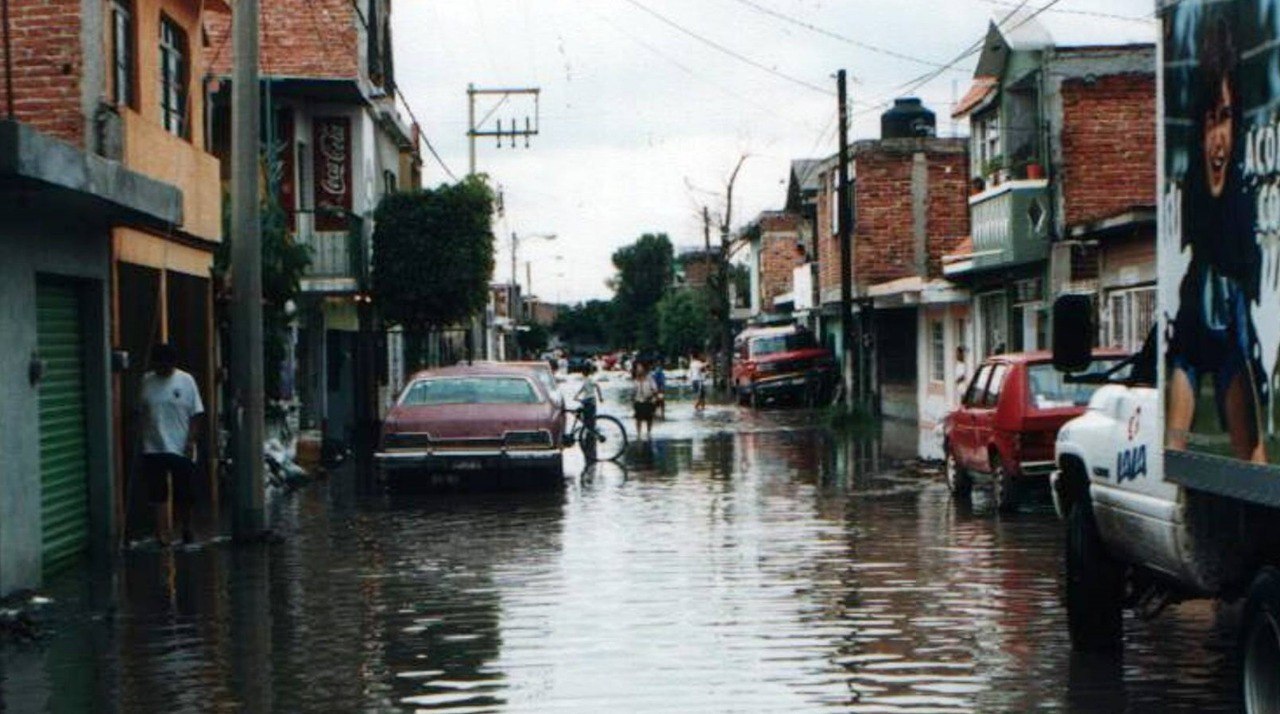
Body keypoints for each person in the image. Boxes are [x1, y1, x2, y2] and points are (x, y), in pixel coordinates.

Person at [1167, 14, 1268, 463]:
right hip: (1197, 311)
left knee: (1254, 456)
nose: (1217, 138)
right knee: (1178, 442)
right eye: (1210, 122)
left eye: (1225, 120)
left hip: (1232, 322)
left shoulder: (1243, 193)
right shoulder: (1194, 185)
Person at [137, 343, 204, 545]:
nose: (162, 369)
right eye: (158, 364)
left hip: (180, 446)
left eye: (166, 365)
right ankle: (161, 533)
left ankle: (186, 528)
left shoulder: (186, 381)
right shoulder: (147, 381)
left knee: (185, 493)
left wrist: (191, 440)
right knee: (157, 493)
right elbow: (140, 410)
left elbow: (196, 414)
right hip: (154, 446)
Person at [632, 361, 658, 439]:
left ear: (644, 369)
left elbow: (655, 389)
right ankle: (638, 434)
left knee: (649, 418)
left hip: (648, 400)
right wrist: (632, 400)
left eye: (640, 368)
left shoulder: (650, 378)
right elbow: (633, 391)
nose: (639, 370)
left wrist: (653, 397)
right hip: (638, 400)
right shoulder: (635, 379)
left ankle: (649, 433)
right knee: (638, 418)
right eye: (637, 368)